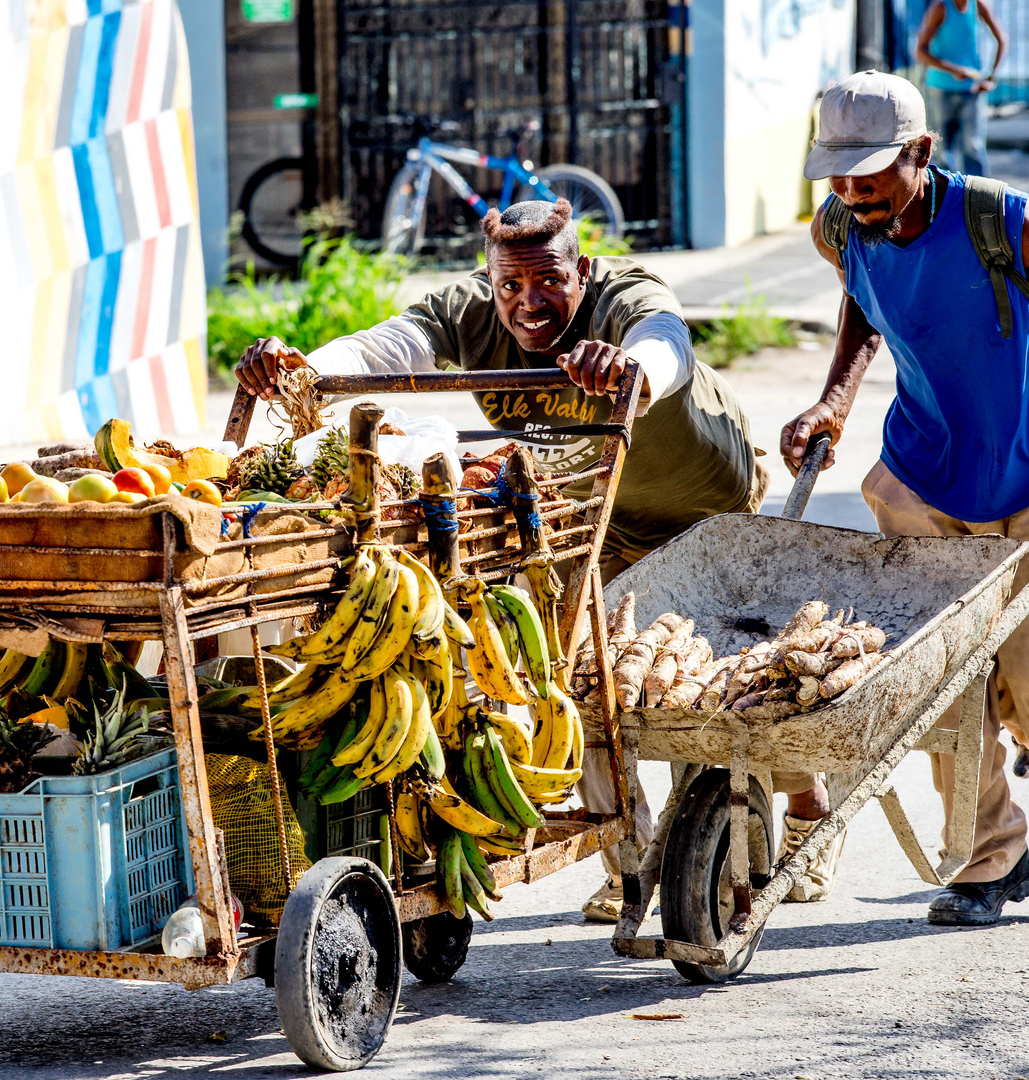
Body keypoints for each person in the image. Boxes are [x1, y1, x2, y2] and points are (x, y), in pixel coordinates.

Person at [235, 199, 850, 918]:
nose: (529, 303)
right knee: (574, 676)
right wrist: (301, 365)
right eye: (510, 286)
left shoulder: (624, 294)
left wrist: (631, 369)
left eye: (550, 282)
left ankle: (807, 807)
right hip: (588, 516)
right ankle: (629, 856)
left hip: (700, 511)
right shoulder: (470, 307)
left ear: (581, 270)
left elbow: (668, 341)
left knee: (715, 685)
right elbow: (387, 348)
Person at [790, 70, 1029, 925]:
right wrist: (833, 401)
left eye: (872, 173)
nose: (853, 192)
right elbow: (863, 301)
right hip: (922, 481)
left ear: (921, 152)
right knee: (941, 685)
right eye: (839, 175)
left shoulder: (1000, 219)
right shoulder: (842, 226)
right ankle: (990, 860)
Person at [915, 0, 1006, 177]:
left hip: (971, 91)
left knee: (973, 148)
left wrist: (991, 77)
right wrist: (953, 70)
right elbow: (920, 51)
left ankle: (978, 198)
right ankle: (942, 199)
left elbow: (1001, 40)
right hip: (940, 90)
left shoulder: (978, 6)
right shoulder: (940, 7)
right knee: (940, 151)